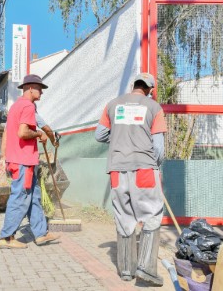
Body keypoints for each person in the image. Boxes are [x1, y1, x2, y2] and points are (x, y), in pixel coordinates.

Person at [95, 73, 167, 286]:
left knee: (124, 217)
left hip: (117, 171)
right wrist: (155, 166)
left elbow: (99, 135)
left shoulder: (113, 105)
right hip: (144, 168)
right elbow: (159, 147)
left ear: (133, 85)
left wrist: (118, 134)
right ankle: (147, 269)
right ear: (150, 90)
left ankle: (126, 270)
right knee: (152, 214)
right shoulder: (154, 108)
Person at [0, 74, 60, 249]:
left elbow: (7, 134)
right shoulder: (27, 106)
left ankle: (40, 233)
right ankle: (6, 237)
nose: (42, 92)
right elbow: (22, 133)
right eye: (40, 89)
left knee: (34, 197)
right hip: (23, 161)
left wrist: (4, 156)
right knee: (20, 198)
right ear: (30, 88)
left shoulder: (16, 107)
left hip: (19, 159)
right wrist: (39, 134)